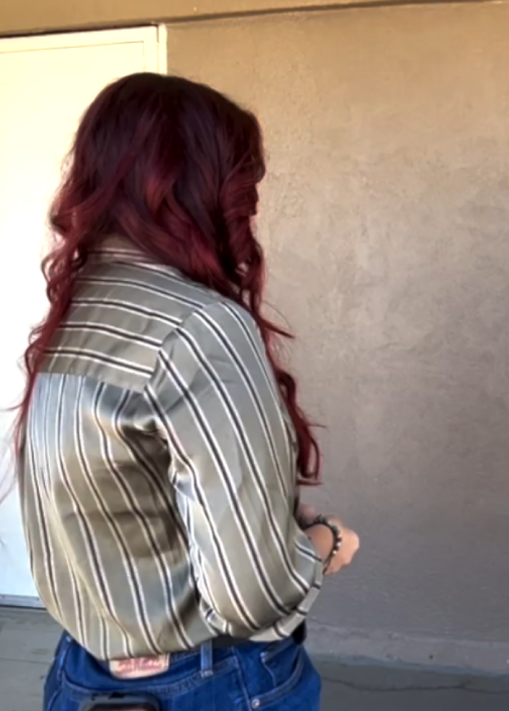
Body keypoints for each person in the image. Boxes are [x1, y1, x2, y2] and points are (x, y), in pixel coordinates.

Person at [11, 73, 359, 711]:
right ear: (204, 187)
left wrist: (272, 524)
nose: (249, 204)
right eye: (243, 183)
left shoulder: (73, 316)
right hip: (213, 683)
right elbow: (251, 595)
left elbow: (120, 510)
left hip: (79, 677)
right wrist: (324, 544)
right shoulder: (197, 328)